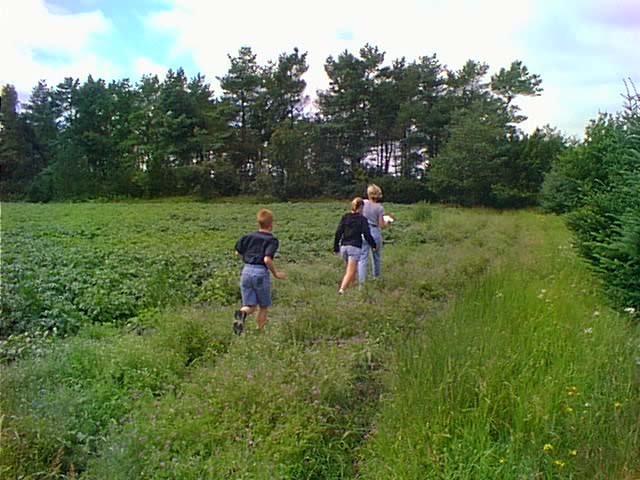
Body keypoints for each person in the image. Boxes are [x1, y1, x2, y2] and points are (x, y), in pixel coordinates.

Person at [233, 208, 287, 335]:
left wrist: (248, 261)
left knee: (250, 306)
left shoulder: (247, 237)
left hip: (246, 270)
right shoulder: (271, 240)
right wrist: (276, 274)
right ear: (271, 224)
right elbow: (267, 259)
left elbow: (237, 252)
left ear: (258, 223)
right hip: (260, 272)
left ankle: (241, 314)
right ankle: (260, 331)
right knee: (263, 306)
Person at [334, 197, 377, 294]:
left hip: (344, 247)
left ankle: (351, 287)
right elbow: (367, 234)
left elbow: (338, 232)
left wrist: (336, 247)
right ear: (361, 207)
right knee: (351, 271)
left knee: (350, 269)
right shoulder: (362, 219)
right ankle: (342, 290)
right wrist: (373, 245)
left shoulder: (345, 216)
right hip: (354, 247)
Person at [358, 184, 391, 283]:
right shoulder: (379, 208)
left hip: (363, 232)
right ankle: (376, 278)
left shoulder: (363, 203)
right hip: (374, 232)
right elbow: (381, 224)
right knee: (376, 257)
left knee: (362, 258)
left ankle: (362, 282)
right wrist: (387, 222)